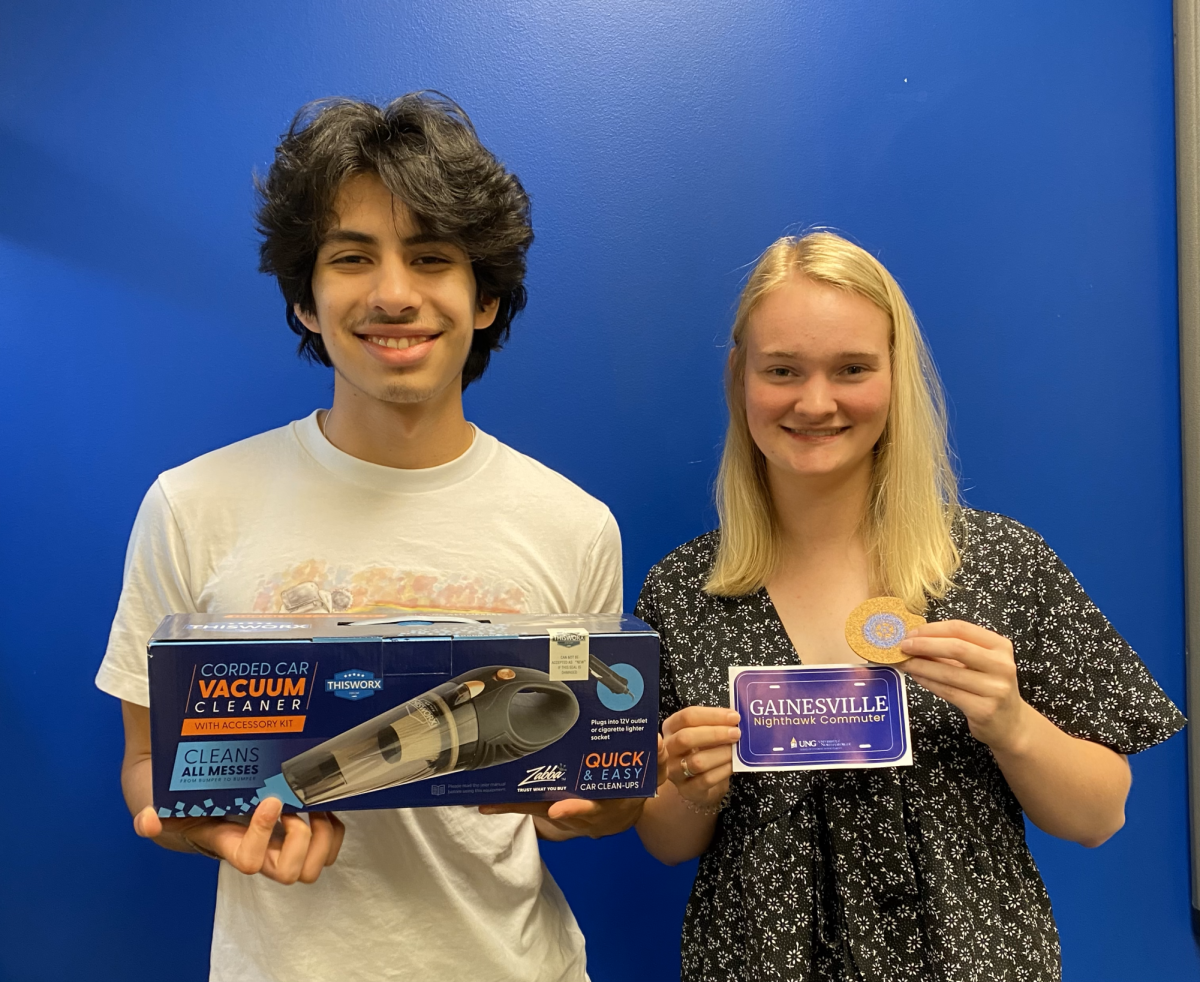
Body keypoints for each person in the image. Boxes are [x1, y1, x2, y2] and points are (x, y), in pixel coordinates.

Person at [96, 92, 645, 982]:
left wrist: (597, 807)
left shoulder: (573, 525)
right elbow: (151, 764)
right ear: (306, 300)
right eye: (353, 257)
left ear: (487, 300)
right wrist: (208, 828)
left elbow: (584, 788)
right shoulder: (192, 504)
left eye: (431, 258)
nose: (394, 294)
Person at [633, 231, 1185, 982]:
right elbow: (665, 842)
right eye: (783, 370)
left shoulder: (1002, 565)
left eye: (852, 369)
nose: (816, 401)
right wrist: (691, 793)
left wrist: (1012, 724)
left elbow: (1099, 818)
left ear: (896, 379)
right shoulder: (682, 591)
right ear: (740, 380)